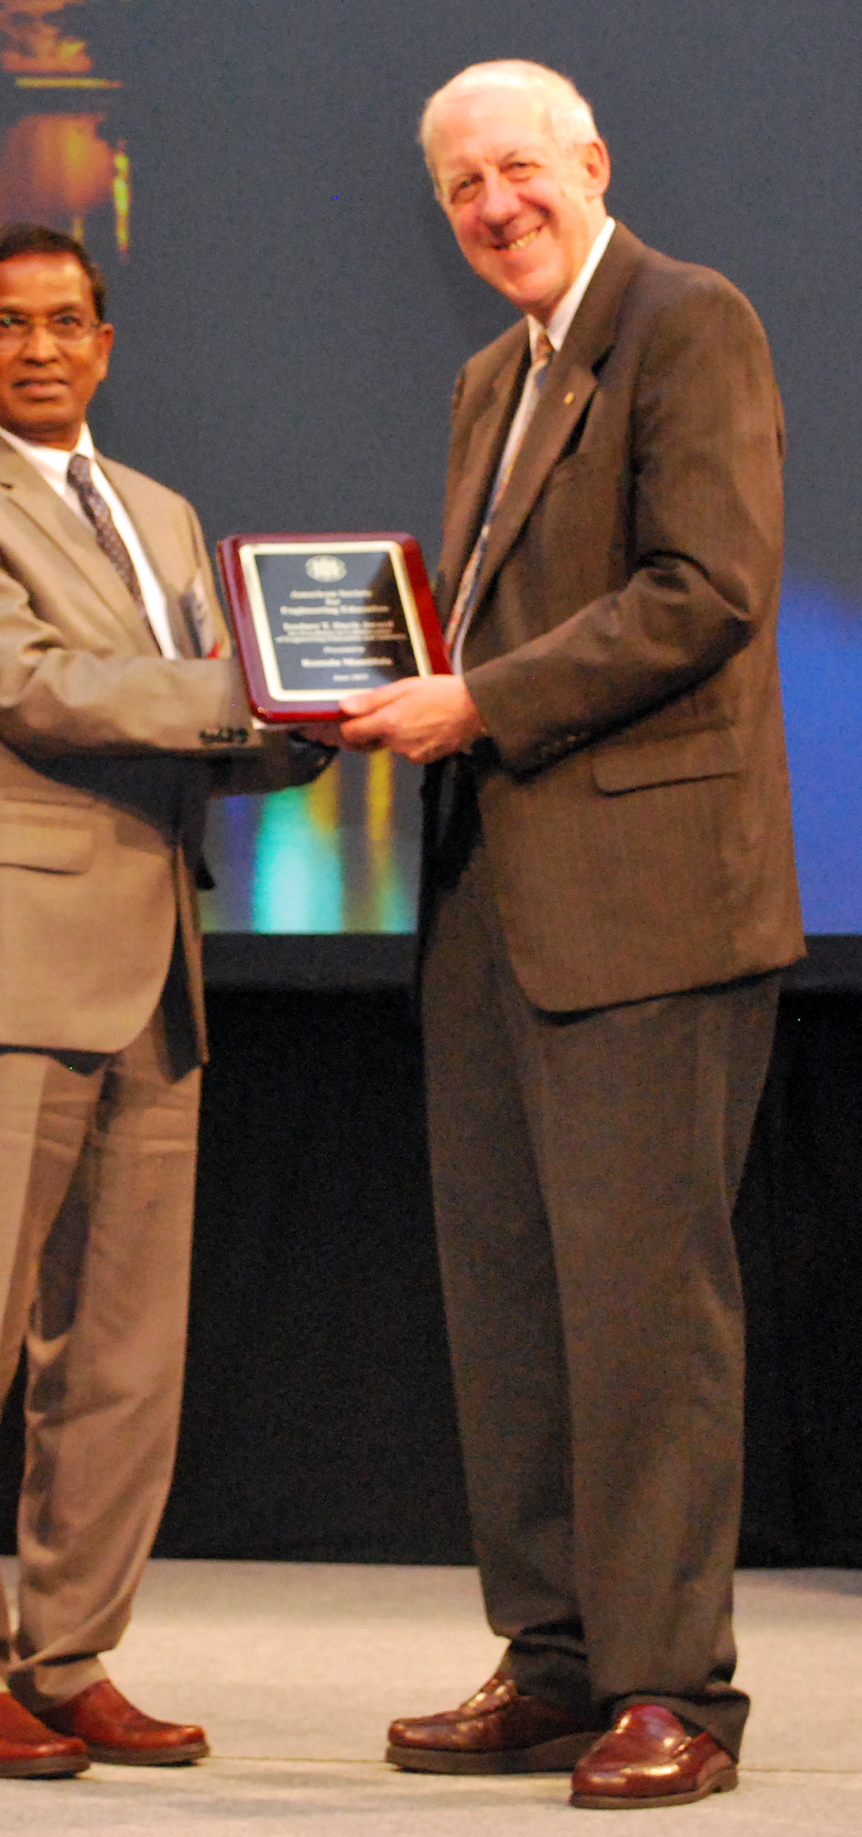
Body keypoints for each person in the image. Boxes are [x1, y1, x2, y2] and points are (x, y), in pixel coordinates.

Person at [339, 61, 802, 1810]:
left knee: (643, 1320)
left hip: (652, 909)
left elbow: (708, 585)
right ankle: (552, 1661)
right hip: (490, 907)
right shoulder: (488, 378)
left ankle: (670, 1687)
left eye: (515, 170)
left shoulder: (689, 322)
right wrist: (373, 679)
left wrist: (478, 700)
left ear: (589, 163)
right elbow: (479, 613)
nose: (491, 207)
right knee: (515, 1315)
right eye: (460, 186)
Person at [0, 222, 330, 1779]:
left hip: (153, 975)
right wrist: (252, 689)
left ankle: (68, 1655)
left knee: (123, 1354)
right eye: (8, 326)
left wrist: (321, 715)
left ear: (107, 341)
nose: (42, 349)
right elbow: (39, 688)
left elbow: (209, 703)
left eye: (67, 322)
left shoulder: (162, 511)